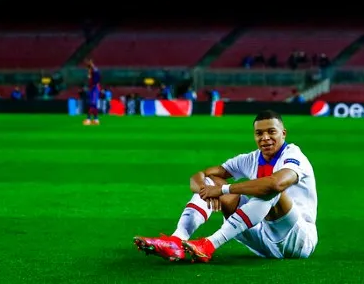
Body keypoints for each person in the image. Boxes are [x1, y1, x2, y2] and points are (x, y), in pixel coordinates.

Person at [134, 110, 317, 262]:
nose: (265, 138)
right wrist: (207, 190)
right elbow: (200, 176)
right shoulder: (250, 159)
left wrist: (223, 190)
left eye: (271, 132)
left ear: (283, 133)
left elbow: (276, 183)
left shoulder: (294, 156)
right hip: (262, 240)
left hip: (298, 240)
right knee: (212, 180)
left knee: (269, 190)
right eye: (259, 133)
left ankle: (209, 245)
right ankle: (176, 240)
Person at [83, 59, 101, 126]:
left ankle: (88, 119)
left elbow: (97, 76)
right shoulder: (90, 71)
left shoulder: (95, 71)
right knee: (93, 104)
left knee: (92, 103)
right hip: (92, 89)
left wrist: (91, 64)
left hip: (95, 88)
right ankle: (96, 120)